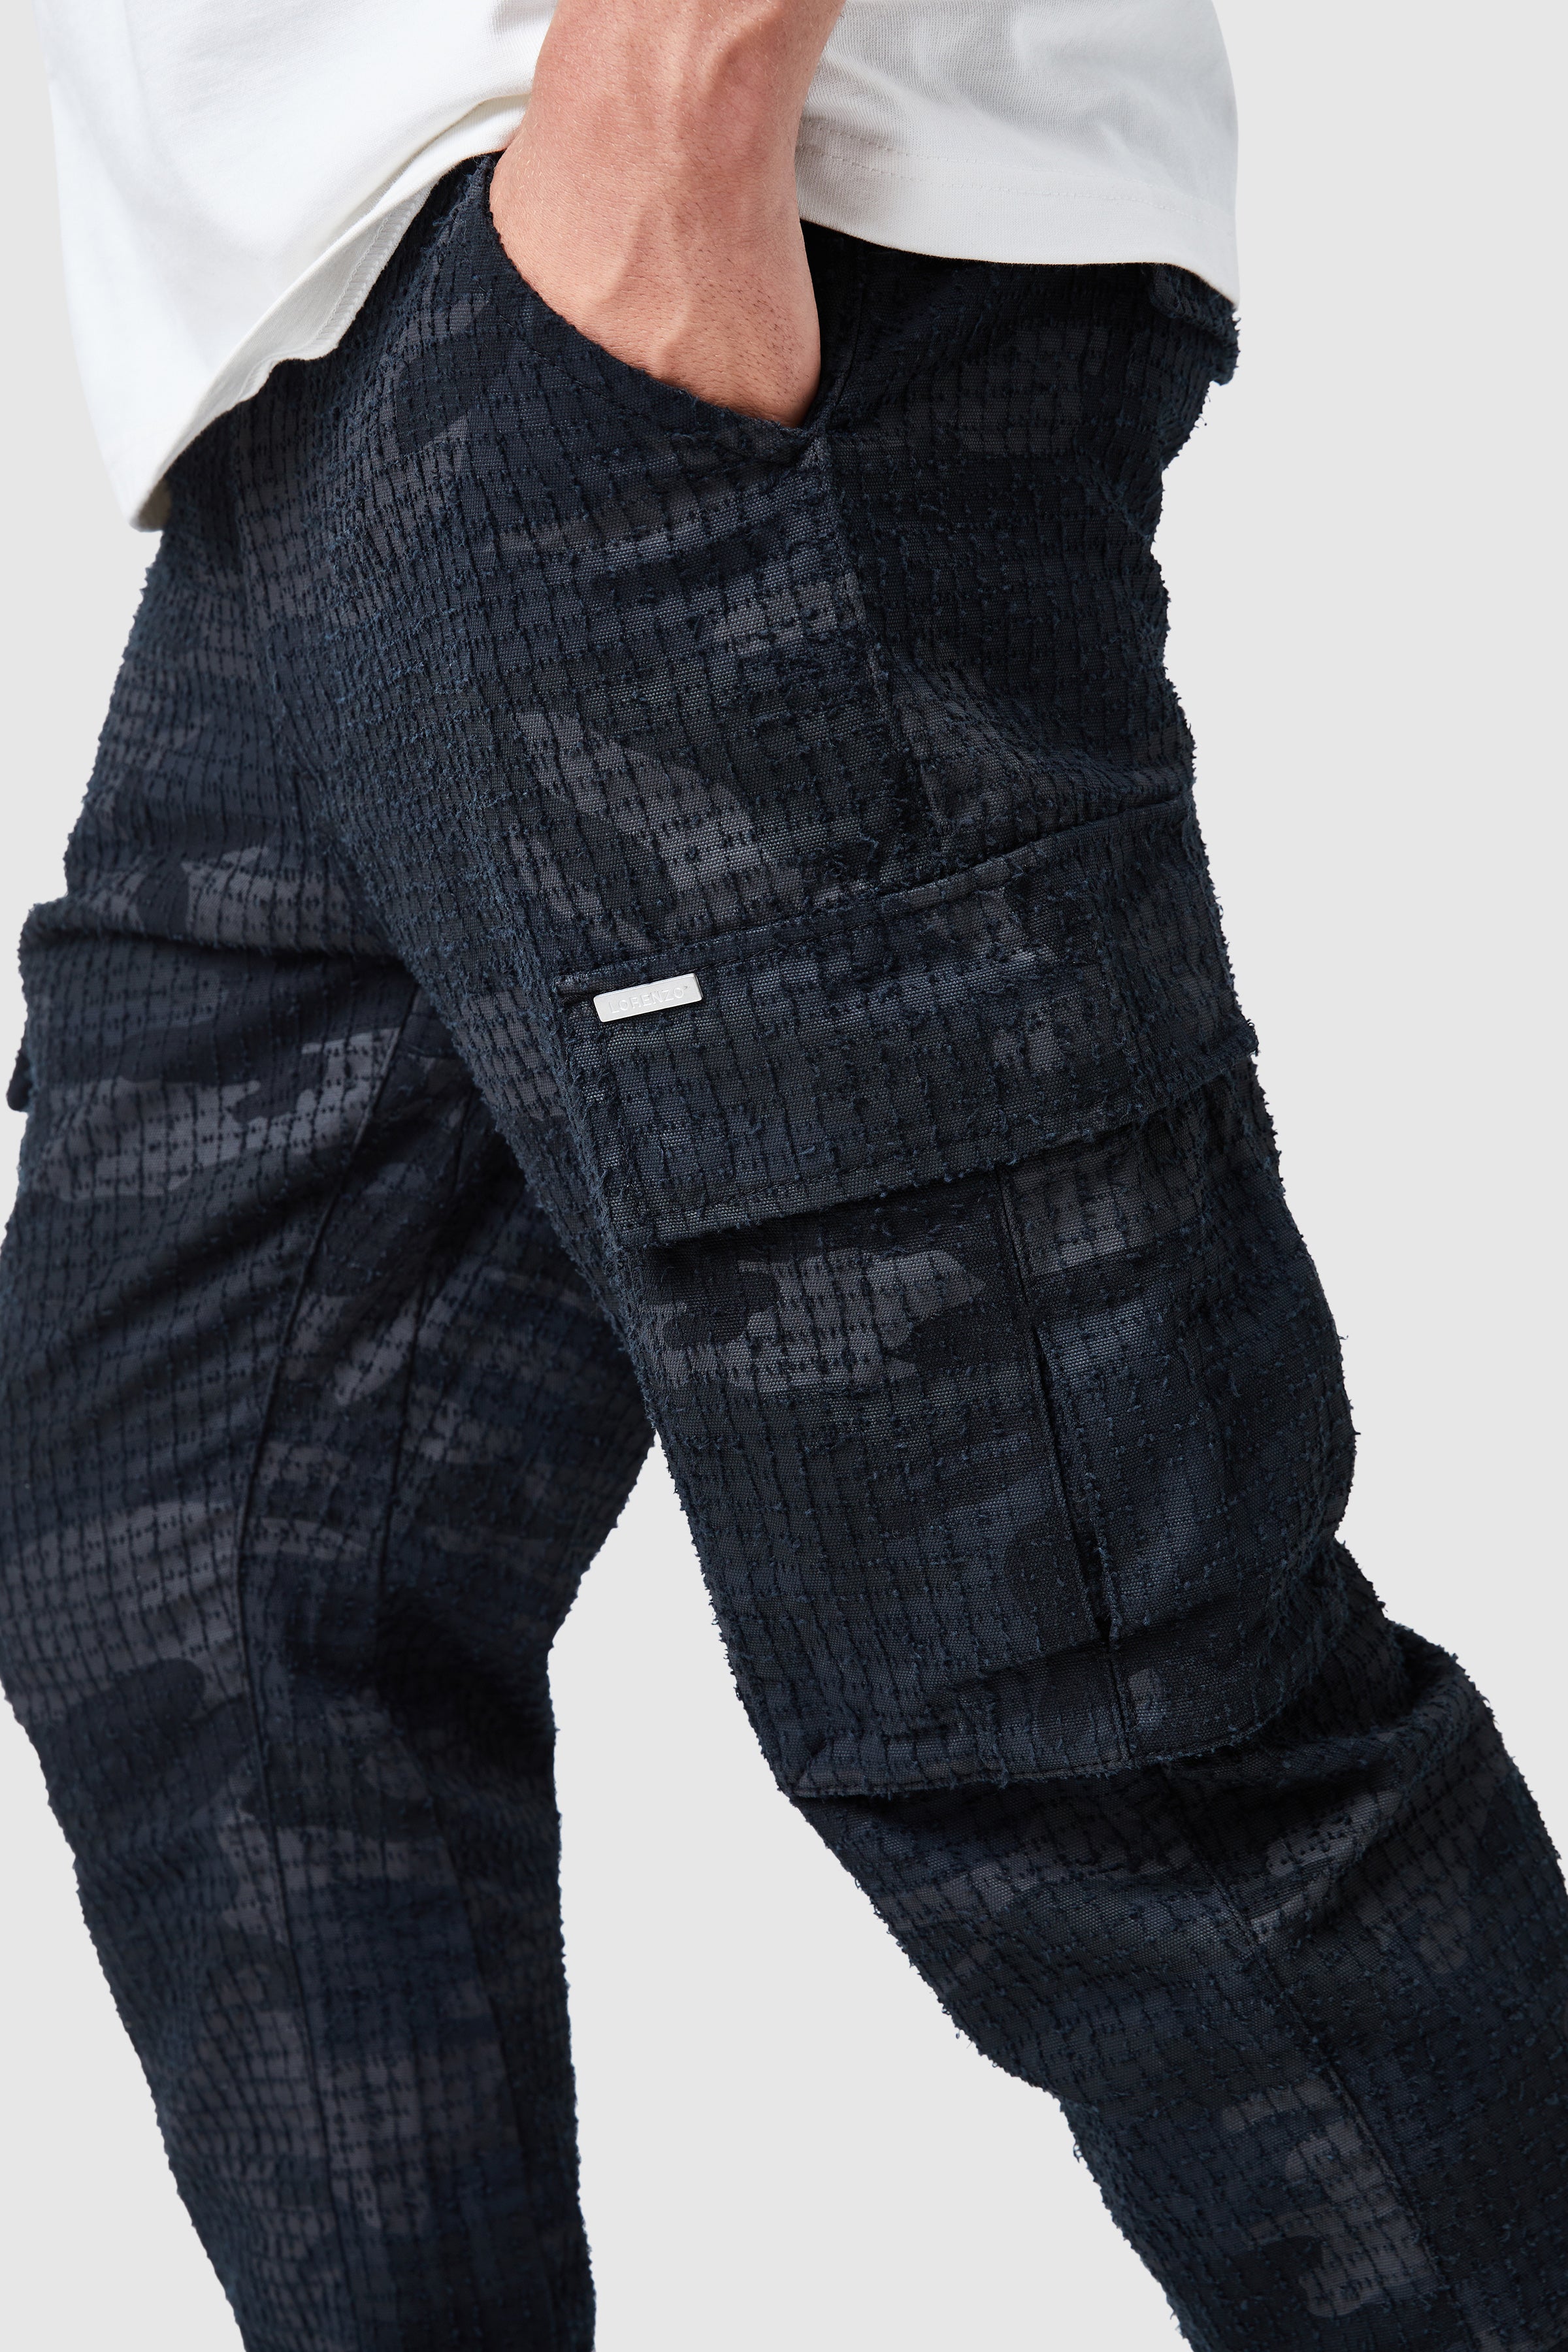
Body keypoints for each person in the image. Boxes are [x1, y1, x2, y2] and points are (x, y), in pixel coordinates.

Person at [1, 1, 1563, 2345]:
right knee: (199, 1569)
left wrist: (674, 105)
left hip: (703, 267)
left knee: (1089, 1715)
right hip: (320, 386)